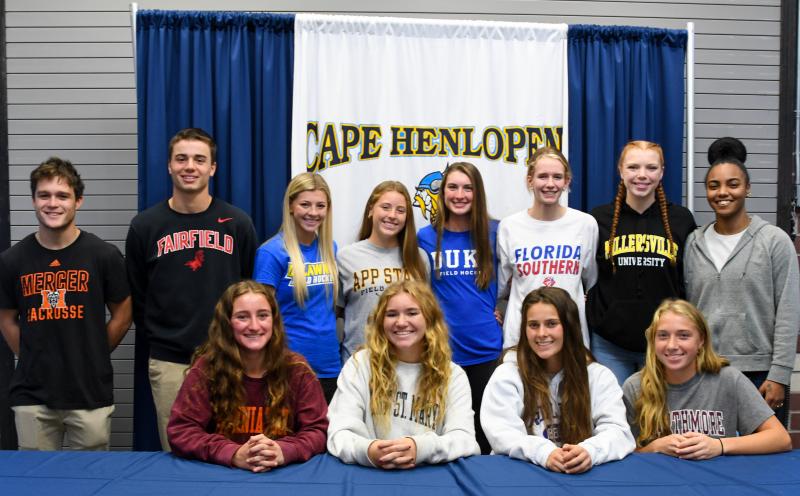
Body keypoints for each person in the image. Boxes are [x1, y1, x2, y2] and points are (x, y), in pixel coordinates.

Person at [126, 128, 258, 450]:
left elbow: (248, 287)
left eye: (200, 159)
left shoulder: (238, 223)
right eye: (181, 159)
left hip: (227, 358)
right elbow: (138, 294)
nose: (190, 166)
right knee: (178, 452)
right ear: (169, 166)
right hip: (169, 361)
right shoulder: (145, 226)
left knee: (230, 449)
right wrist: (160, 336)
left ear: (212, 168)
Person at [0, 157, 132, 450]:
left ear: (78, 201)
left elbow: (123, 313)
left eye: (62, 195)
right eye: (44, 195)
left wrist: (94, 350)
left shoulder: (103, 256)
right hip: (32, 395)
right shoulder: (12, 260)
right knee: (36, 483)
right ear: (33, 200)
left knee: (88, 481)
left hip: (89, 393)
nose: (52, 203)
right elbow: (6, 318)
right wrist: (31, 353)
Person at [684, 137, 799, 426]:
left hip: (759, 374)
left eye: (733, 184)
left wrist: (779, 374)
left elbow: (788, 310)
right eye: (714, 186)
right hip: (705, 370)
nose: (723, 192)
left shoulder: (773, 241)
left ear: (747, 188)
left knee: (762, 460)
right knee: (710, 456)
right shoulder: (693, 243)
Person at [167, 281, 328, 470]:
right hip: (221, 476)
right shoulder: (207, 369)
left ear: (274, 320)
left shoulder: (297, 369)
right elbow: (181, 431)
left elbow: (318, 431)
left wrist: (283, 451)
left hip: (284, 476)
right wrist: (232, 454)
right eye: (242, 317)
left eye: (263, 316)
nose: (254, 326)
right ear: (227, 322)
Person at [327, 280, 480, 468]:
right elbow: (339, 432)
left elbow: (464, 439)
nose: (401, 322)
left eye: (412, 313)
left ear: (429, 319)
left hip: (430, 477)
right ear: (381, 322)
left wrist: (420, 448)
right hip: (370, 475)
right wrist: (369, 451)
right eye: (391, 314)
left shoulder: (453, 375)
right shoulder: (360, 365)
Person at [481, 287, 634, 473]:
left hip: (577, 475)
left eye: (551, 323)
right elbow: (502, 433)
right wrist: (544, 453)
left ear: (569, 326)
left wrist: (589, 451)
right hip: (520, 476)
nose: (541, 333)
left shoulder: (598, 376)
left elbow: (619, 432)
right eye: (533, 325)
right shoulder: (508, 374)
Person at [622, 299, 791, 458]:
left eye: (683, 335)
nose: (672, 345)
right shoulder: (635, 386)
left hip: (717, 481)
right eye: (663, 336)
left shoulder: (728, 379)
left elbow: (781, 439)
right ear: (653, 340)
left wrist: (719, 446)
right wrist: (654, 448)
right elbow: (623, 454)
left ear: (701, 340)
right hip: (662, 483)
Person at [586, 140, 696, 385]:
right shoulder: (597, 219)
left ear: (662, 172)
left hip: (666, 343)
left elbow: (689, 280)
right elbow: (582, 274)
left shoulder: (681, 220)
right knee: (614, 417)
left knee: (659, 418)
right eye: (633, 167)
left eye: (651, 168)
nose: (642, 175)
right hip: (609, 344)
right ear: (620, 170)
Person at [417, 162, 501, 454]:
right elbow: (419, 293)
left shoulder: (495, 233)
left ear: (477, 193)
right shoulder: (425, 237)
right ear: (442, 192)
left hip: (486, 349)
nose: (460, 194)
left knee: (485, 436)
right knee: (444, 434)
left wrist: (504, 307)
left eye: (468, 187)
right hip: (442, 352)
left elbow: (517, 276)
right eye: (452, 187)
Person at [497, 146, 598, 348]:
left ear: (566, 181)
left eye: (557, 177)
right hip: (521, 337)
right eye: (543, 176)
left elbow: (591, 281)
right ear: (530, 180)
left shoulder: (585, 224)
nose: (550, 184)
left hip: (571, 336)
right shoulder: (509, 226)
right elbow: (500, 287)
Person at [253, 172, 339, 402]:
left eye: (320, 205)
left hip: (329, 366)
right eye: (305, 204)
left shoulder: (331, 249)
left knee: (326, 437)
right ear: (291, 206)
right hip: (287, 366)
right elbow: (261, 317)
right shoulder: (271, 253)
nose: (313, 212)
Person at [338, 181, 428, 363]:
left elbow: (427, 313)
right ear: (371, 210)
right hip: (359, 363)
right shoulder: (345, 257)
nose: (392, 215)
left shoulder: (419, 258)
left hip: (407, 363)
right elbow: (335, 313)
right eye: (385, 207)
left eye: (400, 210)